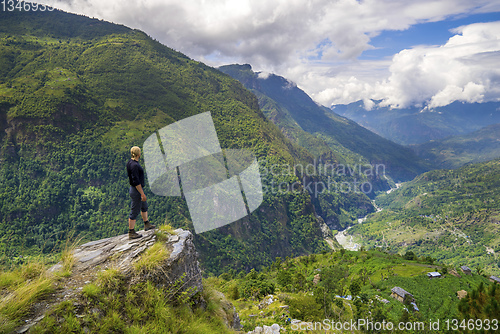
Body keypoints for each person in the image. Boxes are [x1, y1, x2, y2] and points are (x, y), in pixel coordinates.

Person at [127, 146, 155, 239]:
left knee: (144, 206)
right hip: (137, 190)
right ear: (139, 154)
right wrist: (142, 193)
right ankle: (131, 232)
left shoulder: (130, 162)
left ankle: (146, 224)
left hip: (135, 189)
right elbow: (136, 181)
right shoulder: (134, 165)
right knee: (134, 210)